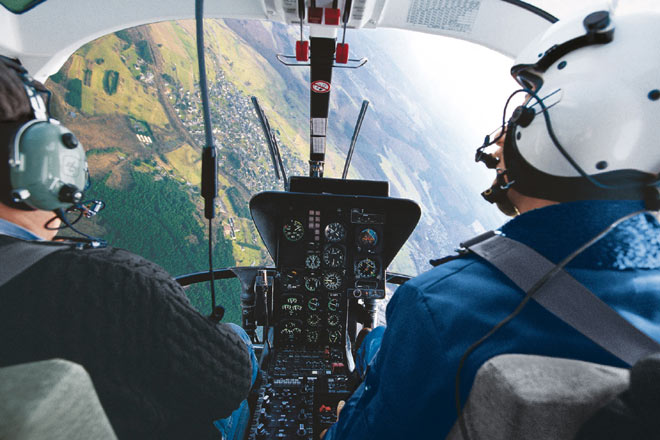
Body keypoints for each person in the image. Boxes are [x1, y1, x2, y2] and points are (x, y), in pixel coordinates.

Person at [323, 8, 660, 440]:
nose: (503, 134)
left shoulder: (441, 307)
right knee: (378, 340)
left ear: (576, 120)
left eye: (526, 105)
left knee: (381, 345)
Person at [0, 57, 256, 439]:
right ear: (46, 164)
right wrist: (167, 308)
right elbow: (228, 384)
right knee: (242, 345)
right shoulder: (112, 283)